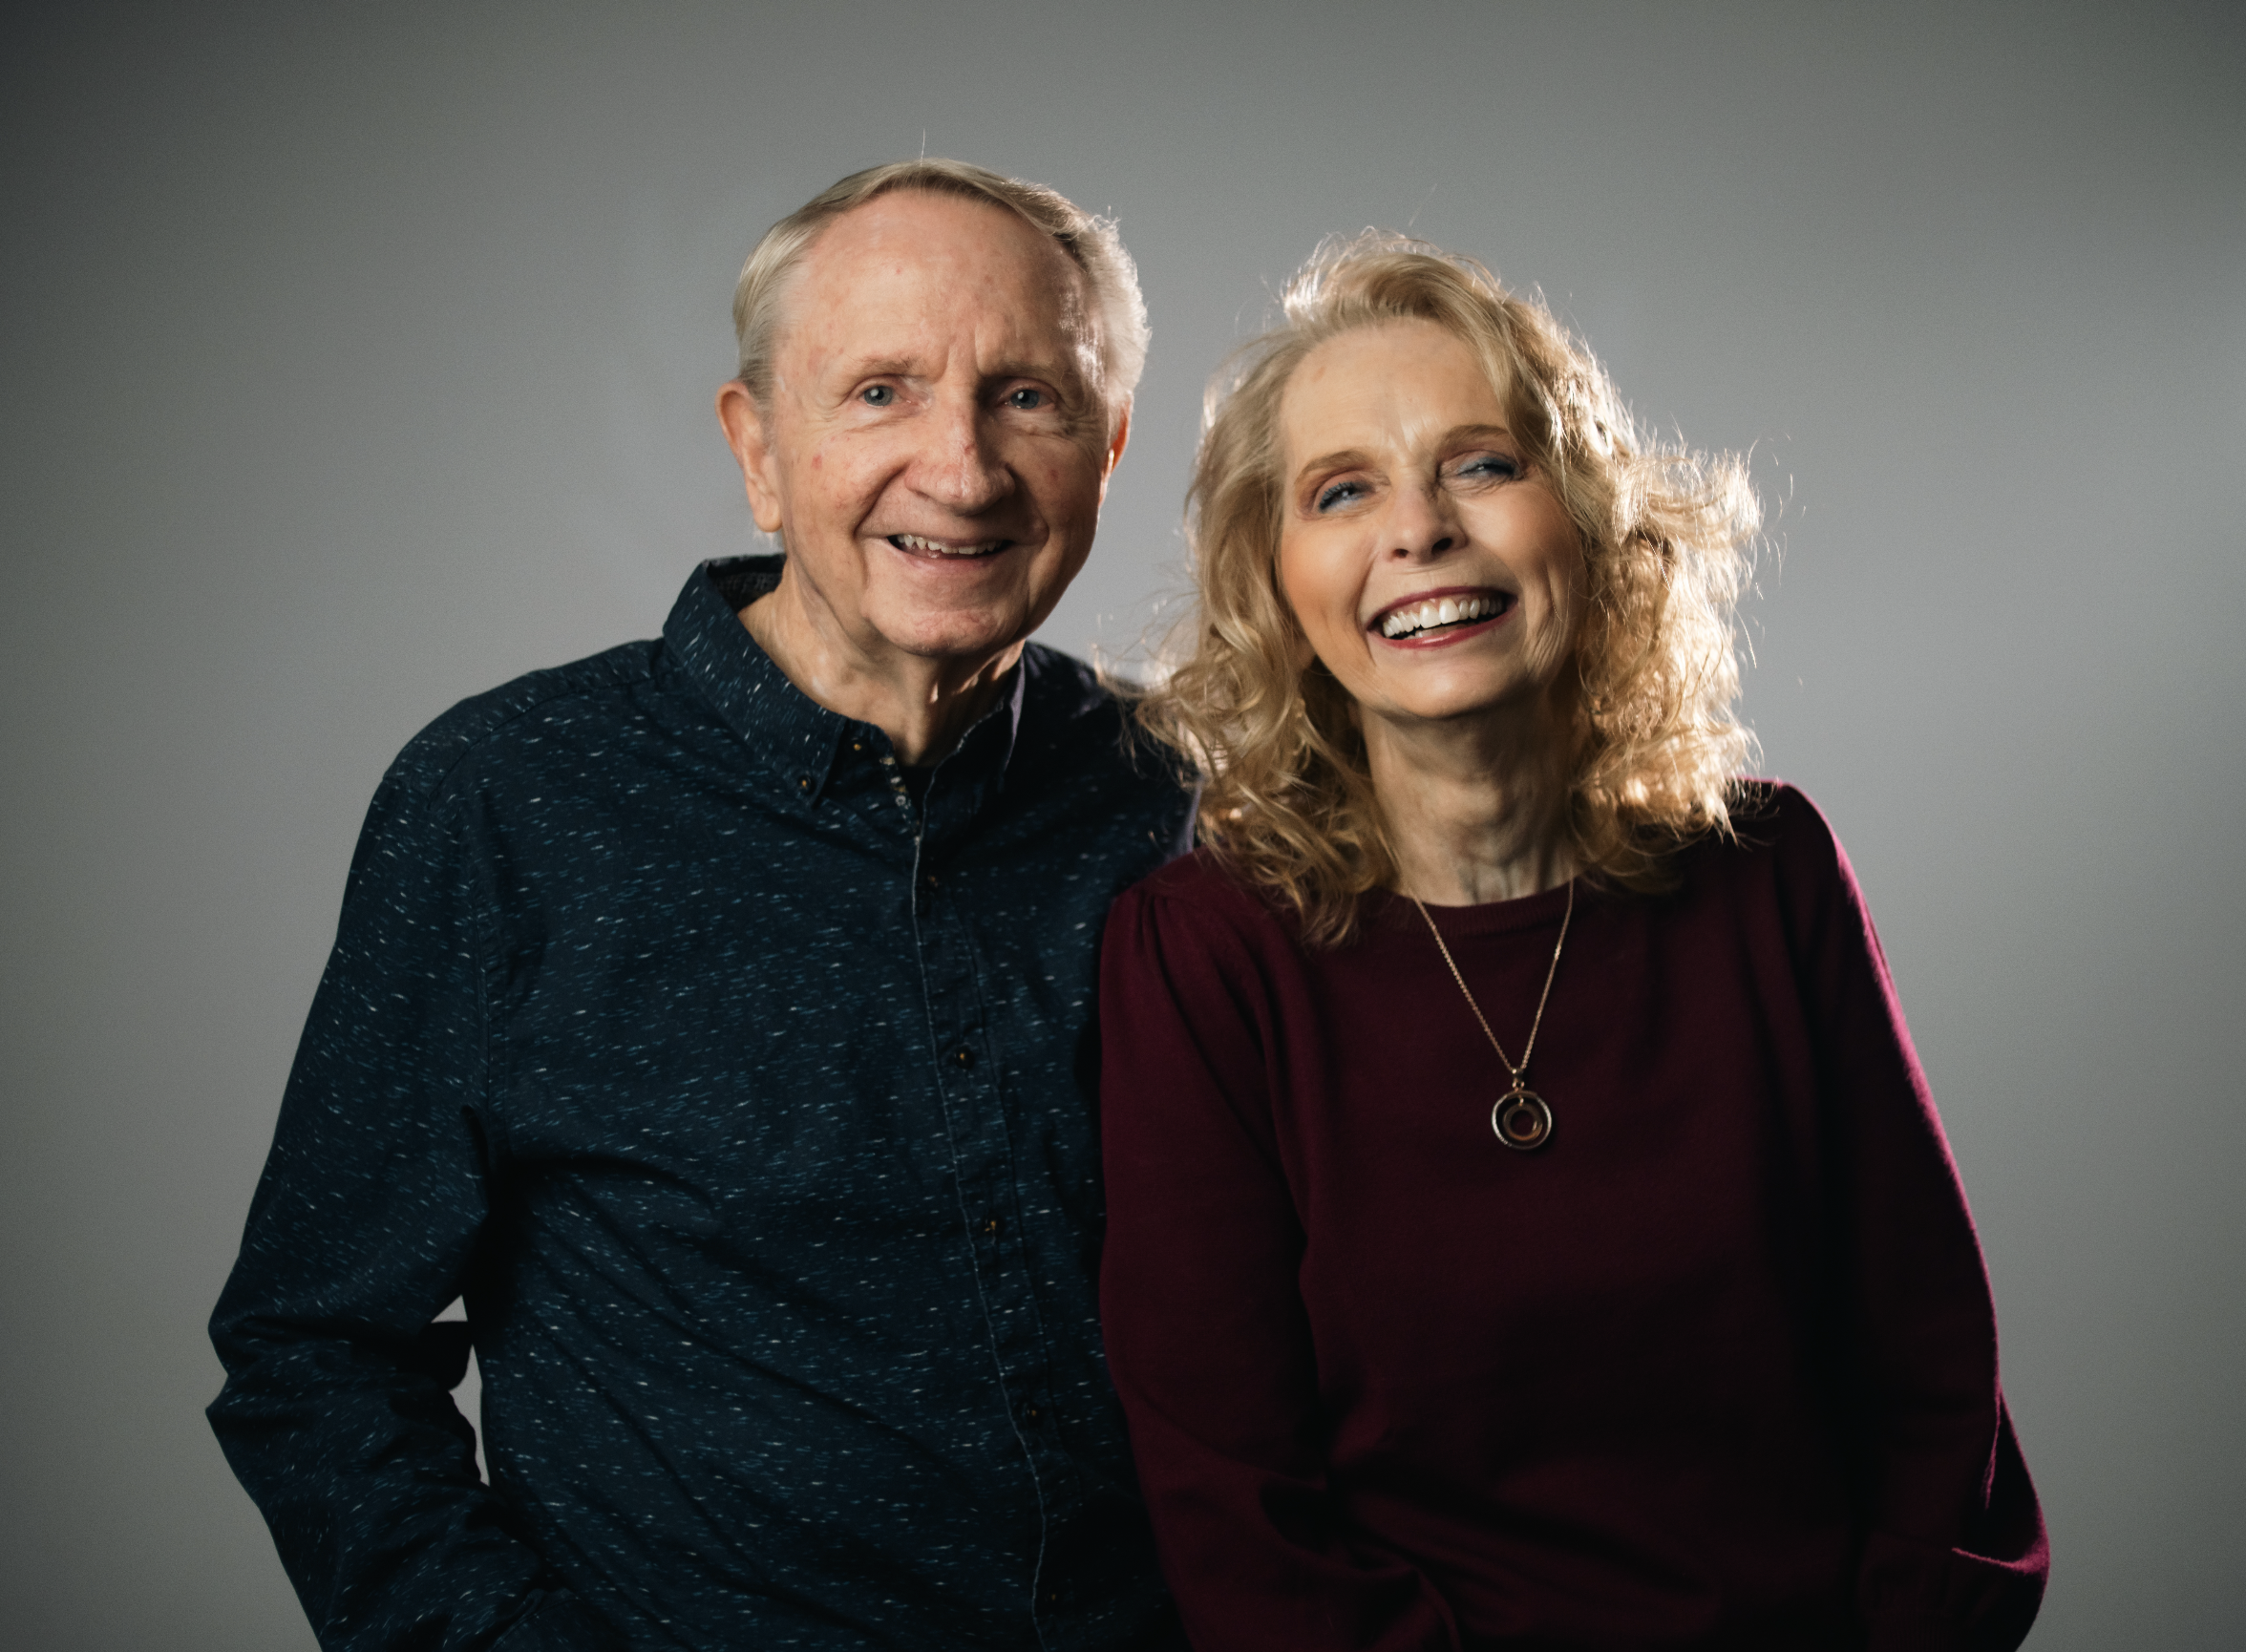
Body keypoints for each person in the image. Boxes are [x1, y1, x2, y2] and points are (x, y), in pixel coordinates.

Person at [208, 160, 1192, 1652]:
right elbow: (313, 1353)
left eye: (1027, 398)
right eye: (879, 392)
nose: (963, 467)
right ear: (758, 448)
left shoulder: (1180, 800)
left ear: (1110, 447)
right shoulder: (509, 799)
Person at [1096, 234, 2047, 1650]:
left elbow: (1932, 1380)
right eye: (1342, 490)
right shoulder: (1206, 954)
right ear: (1274, 583)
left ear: (1590, 519)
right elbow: (1240, 1514)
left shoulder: (1769, 872)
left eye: (1481, 463)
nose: (1418, 530)